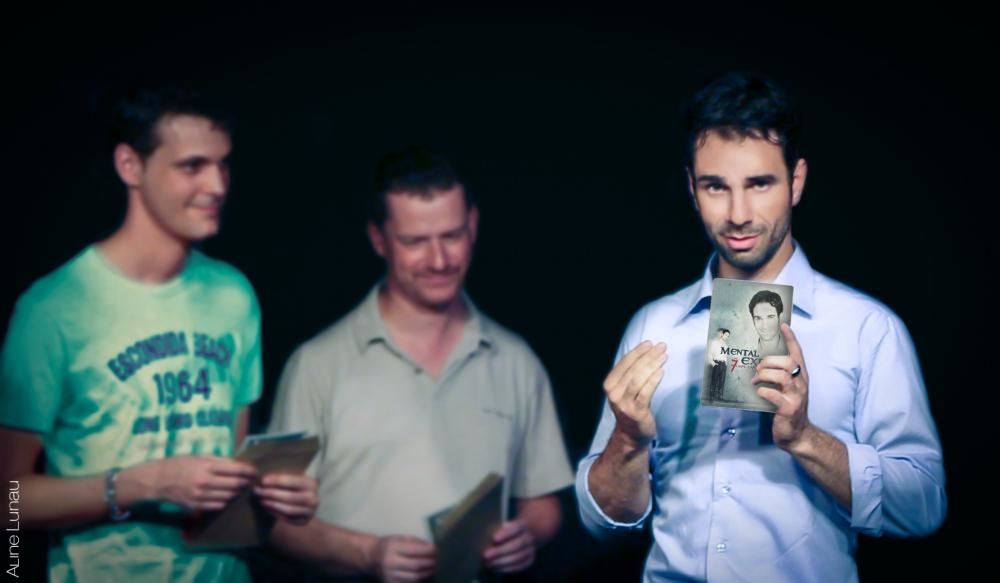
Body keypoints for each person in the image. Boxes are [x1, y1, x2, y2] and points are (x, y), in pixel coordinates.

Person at [576, 71, 946, 582]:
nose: (738, 214)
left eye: (759, 184)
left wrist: (805, 439)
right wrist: (628, 442)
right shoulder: (654, 326)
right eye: (716, 186)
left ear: (796, 181)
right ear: (692, 188)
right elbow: (600, 524)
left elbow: (924, 505)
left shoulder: (867, 328)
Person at [0, 86, 318, 583]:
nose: (217, 185)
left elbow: (232, 480)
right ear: (130, 165)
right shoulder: (52, 309)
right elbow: (9, 502)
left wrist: (274, 497)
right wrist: (148, 483)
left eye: (223, 165)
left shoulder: (233, 296)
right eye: (192, 166)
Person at [267, 146, 574, 581]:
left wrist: (527, 534)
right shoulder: (315, 365)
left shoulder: (515, 360)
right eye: (414, 242)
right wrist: (367, 554)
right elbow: (274, 523)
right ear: (378, 239)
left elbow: (542, 501)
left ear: (473, 225)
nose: (439, 260)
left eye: (451, 236)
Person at [749, 289, 787, 356]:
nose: (765, 326)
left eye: (770, 317)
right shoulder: (746, 348)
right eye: (758, 318)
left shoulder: (789, 349)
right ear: (753, 320)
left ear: (779, 317)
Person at [704, 327, 730, 401]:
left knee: (722, 381)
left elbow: (725, 356)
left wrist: (725, 364)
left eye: (728, 336)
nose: (727, 337)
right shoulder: (715, 343)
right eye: (726, 335)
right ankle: (711, 396)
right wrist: (713, 363)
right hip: (717, 363)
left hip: (723, 365)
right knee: (714, 380)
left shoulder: (726, 346)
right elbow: (710, 353)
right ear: (722, 334)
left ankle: (720, 396)